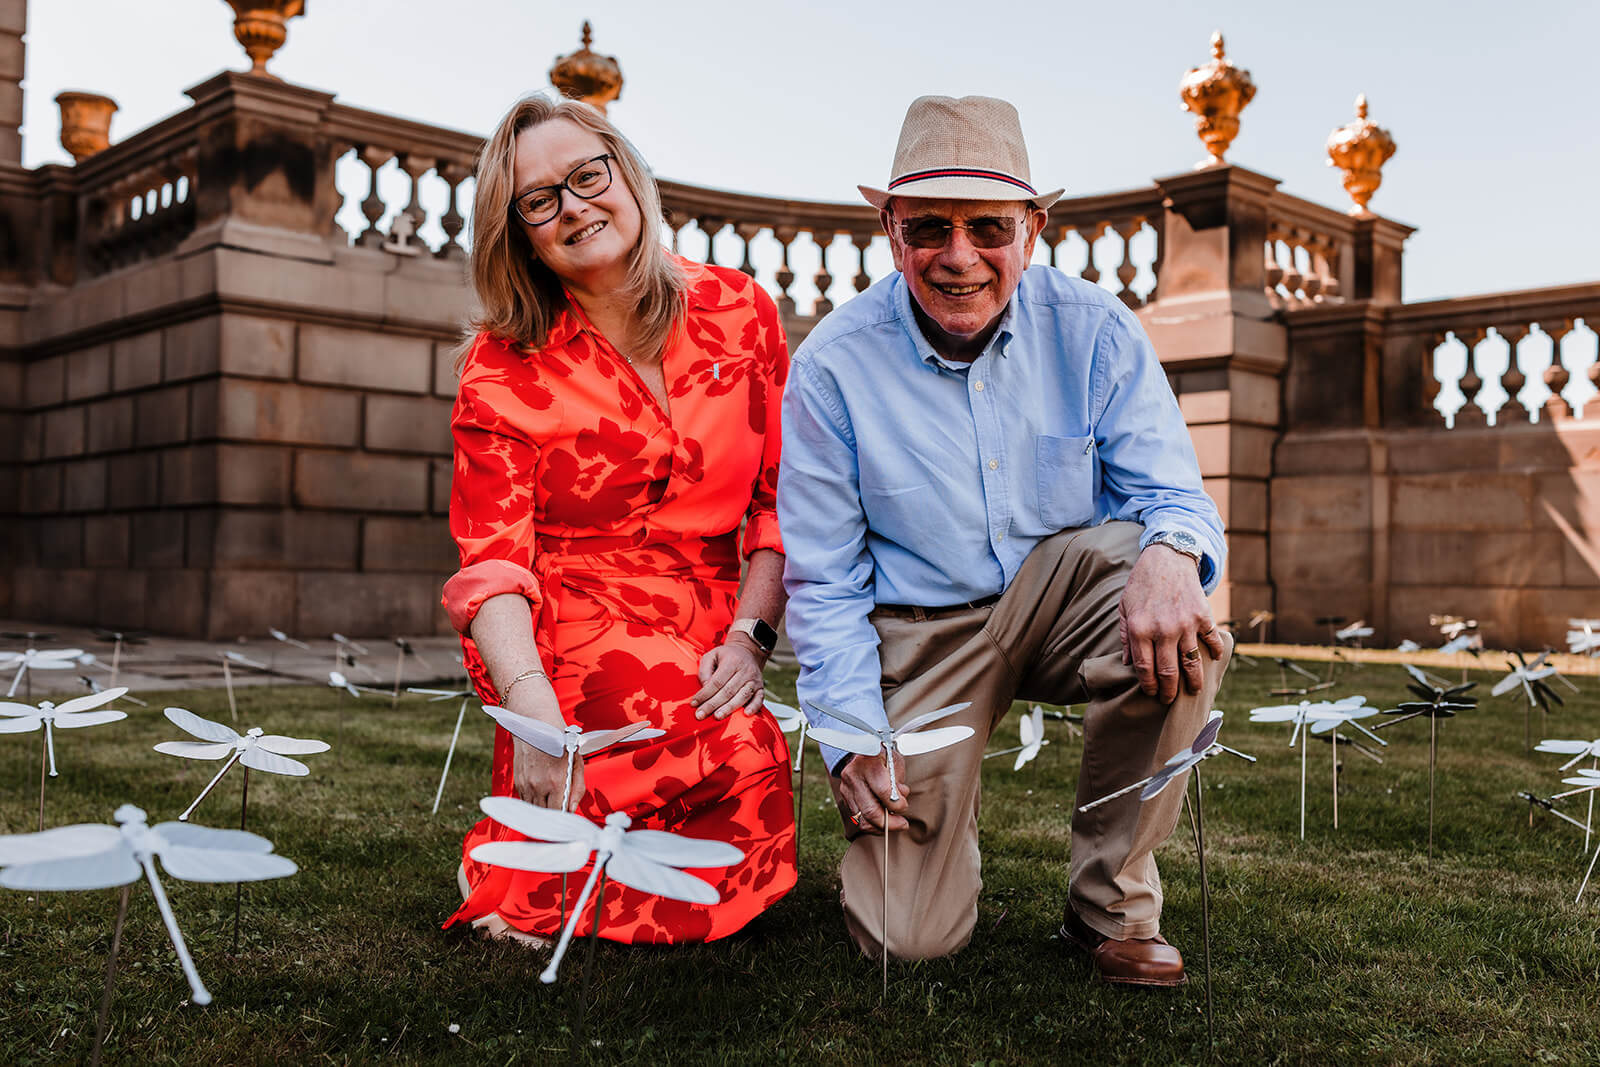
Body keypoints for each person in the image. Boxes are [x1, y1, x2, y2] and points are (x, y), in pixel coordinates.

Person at [778, 95, 1231, 984]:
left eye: (987, 226)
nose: (958, 256)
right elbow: (823, 580)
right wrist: (848, 734)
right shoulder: (832, 365)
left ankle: (1110, 905)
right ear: (890, 229)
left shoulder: (1100, 331)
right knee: (905, 940)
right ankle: (917, 850)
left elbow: (1173, 493)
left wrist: (1173, 556)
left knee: (1183, 615)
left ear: (1033, 226)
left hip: (1062, 595)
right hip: (917, 628)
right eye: (929, 228)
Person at [441, 93, 795, 946]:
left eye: (585, 176)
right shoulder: (500, 368)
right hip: (575, 620)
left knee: (750, 756)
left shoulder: (744, 313)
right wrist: (530, 710)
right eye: (539, 201)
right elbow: (492, 564)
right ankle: (525, 852)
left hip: (716, 610)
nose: (572, 207)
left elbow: (777, 505)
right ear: (519, 232)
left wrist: (750, 636)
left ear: (626, 174)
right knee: (649, 707)